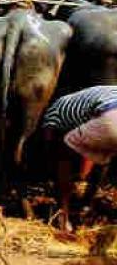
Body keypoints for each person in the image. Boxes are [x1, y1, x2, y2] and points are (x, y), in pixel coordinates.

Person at [41, 86, 117, 230]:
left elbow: (55, 148)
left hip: (111, 117)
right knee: (105, 154)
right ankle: (87, 206)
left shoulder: (52, 116)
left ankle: (64, 217)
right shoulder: (90, 98)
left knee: (64, 152)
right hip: (108, 113)